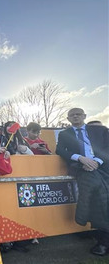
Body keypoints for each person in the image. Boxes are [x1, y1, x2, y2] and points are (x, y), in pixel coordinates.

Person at [56, 108, 109, 256]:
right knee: (100, 199)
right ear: (68, 119)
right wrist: (80, 158)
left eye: (78, 114)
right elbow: (60, 150)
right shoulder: (64, 134)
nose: (75, 117)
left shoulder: (100, 130)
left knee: (103, 200)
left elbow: (107, 148)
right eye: (72, 115)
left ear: (85, 116)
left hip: (104, 167)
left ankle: (83, 217)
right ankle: (102, 241)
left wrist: (97, 161)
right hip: (82, 168)